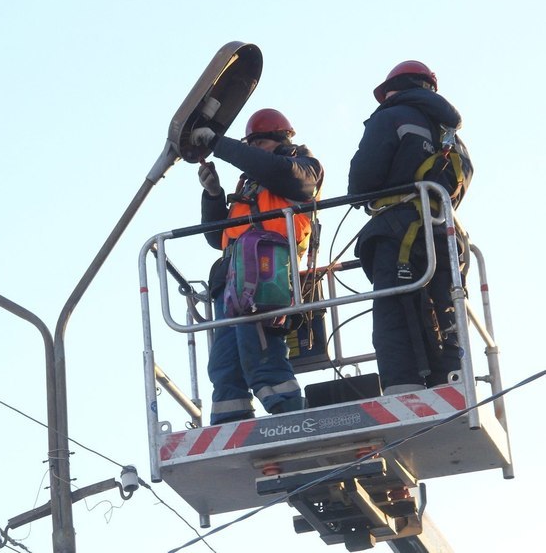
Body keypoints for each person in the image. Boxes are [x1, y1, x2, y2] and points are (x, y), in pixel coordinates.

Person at [347, 60, 474, 395]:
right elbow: (460, 186)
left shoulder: (390, 117)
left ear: (395, 89)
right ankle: (451, 383)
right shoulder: (454, 138)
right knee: (445, 310)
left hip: (397, 232)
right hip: (443, 234)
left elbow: (362, 181)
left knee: (396, 312)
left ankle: (402, 391)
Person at [190, 108, 324, 424]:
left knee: (261, 349)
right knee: (225, 363)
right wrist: (214, 195)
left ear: (279, 140)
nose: (250, 152)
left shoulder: (303, 168)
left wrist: (219, 145)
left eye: (256, 145)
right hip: (232, 277)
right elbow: (217, 237)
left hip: (268, 270)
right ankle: (229, 422)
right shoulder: (250, 183)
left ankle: (291, 413)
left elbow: (279, 173)